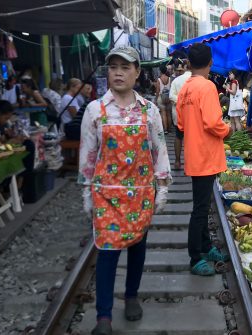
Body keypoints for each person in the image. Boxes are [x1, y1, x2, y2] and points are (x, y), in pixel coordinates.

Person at [78, 46, 172, 335]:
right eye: (113, 67)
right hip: (106, 195)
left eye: (125, 67)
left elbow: (159, 150)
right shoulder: (96, 110)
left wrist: (163, 187)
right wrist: (85, 192)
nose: (118, 72)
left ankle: (132, 296)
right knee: (106, 254)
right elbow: (88, 156)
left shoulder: (149, 111)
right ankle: (103, 316)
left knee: (137, 248)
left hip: (141, 194)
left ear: (137, 72)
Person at [176, 43, 232, 276]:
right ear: (210, 62)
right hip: (206, 155)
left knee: (203, 204)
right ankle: (194, 257)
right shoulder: (207, 87)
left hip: (194, 154)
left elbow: (180, 125)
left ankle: (207, 246)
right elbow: (212, 123)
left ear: (189, 64)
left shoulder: (185, 89)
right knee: (200, 209)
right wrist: (227, 129)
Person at [169, 58, 192, 171]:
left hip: (178, 114)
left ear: (183, 68)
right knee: (190, 138)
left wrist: (181, 100)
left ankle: (177, 161)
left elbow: (171, 96)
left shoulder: (176, 81)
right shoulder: (196, 80)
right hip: (192, 115)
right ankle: (189, 163)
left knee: (178, 137)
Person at [154, 64, 172, 134]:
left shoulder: (159, 79)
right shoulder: (169, 78)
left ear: (160, 71)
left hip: (161, 98)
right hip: (168, 97)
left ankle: (165, 129)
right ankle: (170, 128)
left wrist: (156, 99)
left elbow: (157, 91)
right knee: (169, 113)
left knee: (163, 113)